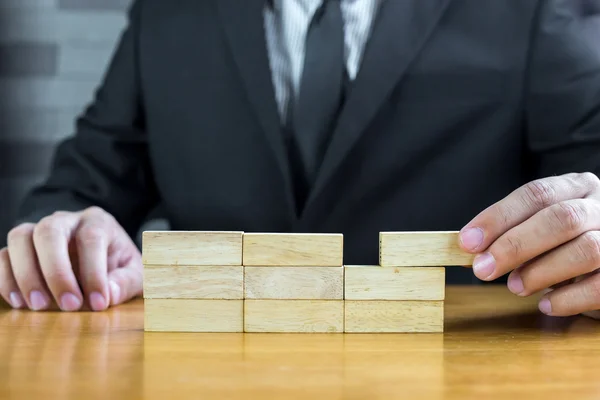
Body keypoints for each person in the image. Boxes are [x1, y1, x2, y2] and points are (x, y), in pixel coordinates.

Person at [1, 0, 599, 320]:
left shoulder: (537, 9)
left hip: (458, 368)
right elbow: (78, 189)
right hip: (211, 374)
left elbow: (588, 190)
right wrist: (68, 235)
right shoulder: (168, 12)